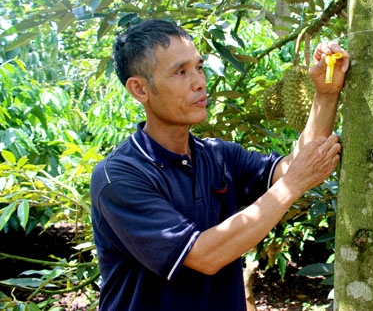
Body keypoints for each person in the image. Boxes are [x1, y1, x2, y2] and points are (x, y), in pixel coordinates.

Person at [90, 19, 349, 310]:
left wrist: (326, 95)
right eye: (180, 72)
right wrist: (295, 182)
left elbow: (291, 168)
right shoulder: (119, 176)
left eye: (199, 67)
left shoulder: (218, 156)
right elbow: (203, 256)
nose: (200, 82)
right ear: (139, 89)